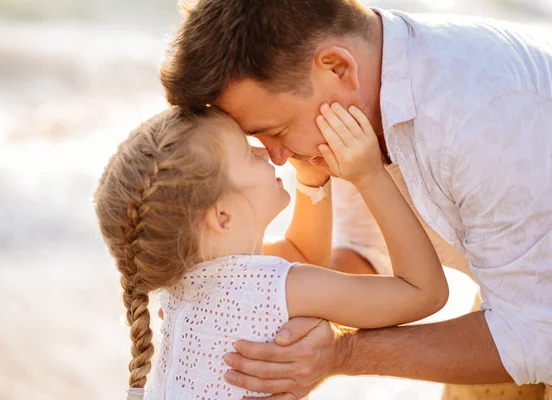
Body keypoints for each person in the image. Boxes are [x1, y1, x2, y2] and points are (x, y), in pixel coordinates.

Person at [160, 0, 552, 399]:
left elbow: (539, 336)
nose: (276, 156)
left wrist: (342, 353)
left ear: (337, 67)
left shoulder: (482, 116)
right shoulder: (348, 115)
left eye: (276, 130)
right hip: (518, 309)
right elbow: (366, 257)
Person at [94, 106, 449, 399]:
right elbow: (423, 292)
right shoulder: (276, 287)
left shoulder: (190, 283)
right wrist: (370, 175)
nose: (266, 152)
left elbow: (301, 254)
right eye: (249, 153)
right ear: (222, 216)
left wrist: (312, 181)